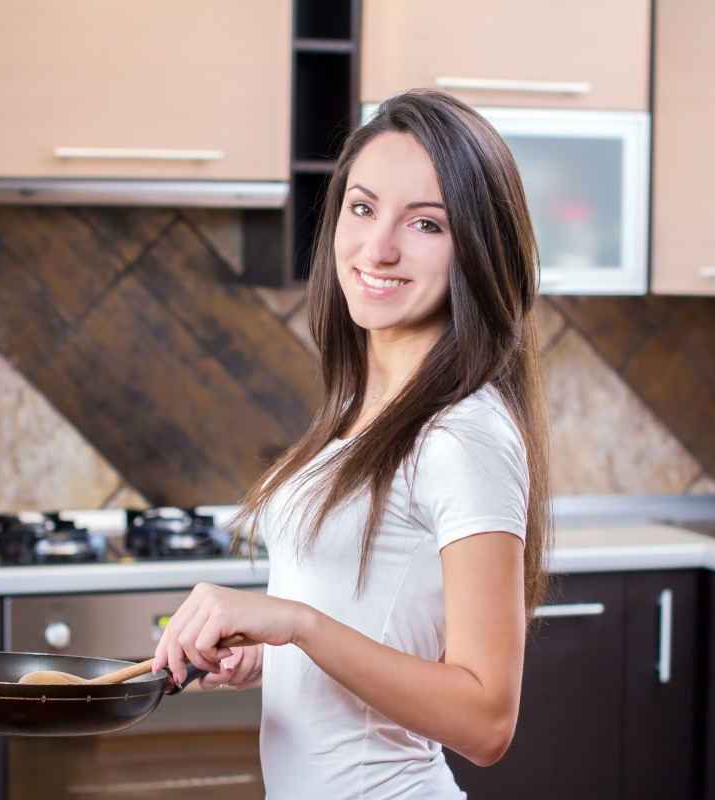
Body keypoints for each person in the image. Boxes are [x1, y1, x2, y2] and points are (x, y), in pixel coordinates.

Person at [150, 88, 553, 799]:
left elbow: (488, 718)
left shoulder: (464, 435)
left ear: (478, 248)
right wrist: (275, 659)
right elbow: (382, 625)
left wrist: (298, 626)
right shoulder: (365, 407)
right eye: (363, 208)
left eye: (426, 224)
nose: (378, 247)